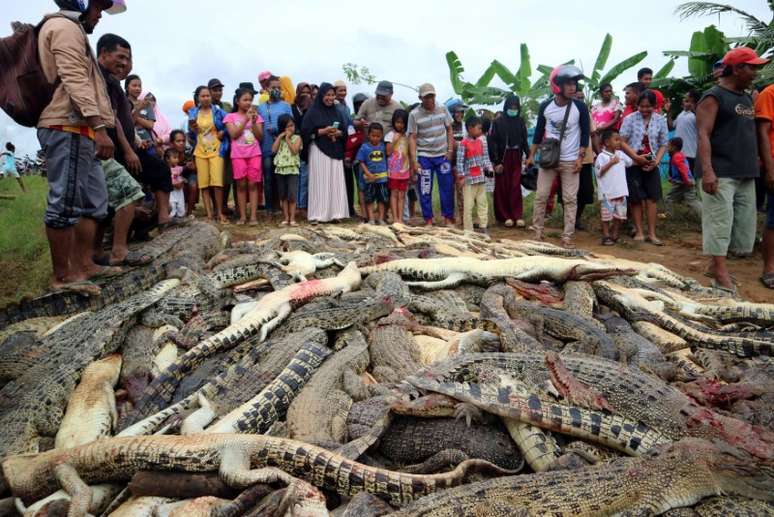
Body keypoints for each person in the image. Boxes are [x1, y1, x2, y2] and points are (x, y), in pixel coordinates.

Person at [37, 0, 122, 295]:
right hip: (68, 125)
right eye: (97, 8)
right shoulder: (64, 27)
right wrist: (99, 127)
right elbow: (74, 80)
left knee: (93, 201)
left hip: (81, 129)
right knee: (66, 201)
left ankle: (84, 264)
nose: (99, 16)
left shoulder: (73, 29)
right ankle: (63, 276)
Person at [697, 47, 768, 291]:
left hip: (745, 172)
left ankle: (713, 265)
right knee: (720, 223)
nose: (756, 73)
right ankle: (720, 273)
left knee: (743, 228)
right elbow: (703, 134)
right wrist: (708, 171)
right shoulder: (713, 96)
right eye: (752, 68)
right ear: (737, 68)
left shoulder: (747, 97)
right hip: (720, 172)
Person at [95, 33, 155, 268]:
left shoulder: (111, 82)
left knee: (102, 203)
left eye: (128, 59)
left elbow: (115, 119)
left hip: (109, 148)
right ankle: (117, 251)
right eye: (120, 57)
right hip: (97, 147)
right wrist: (125, 147)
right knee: (129, 193)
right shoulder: (95, 77)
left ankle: (96, 253)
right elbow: (112, 120)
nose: (125, 63)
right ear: (103, 54)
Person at [527, 65, 590, 248]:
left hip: (571, 160)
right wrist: (531, 156)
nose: (573, 87)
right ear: (557, 85)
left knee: (570, 199)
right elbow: (538, 133)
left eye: (574, 84)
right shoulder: (546, 107)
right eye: (568, 84)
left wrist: (580, 158)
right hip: (549, 159)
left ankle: (567, 237)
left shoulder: (580, 107)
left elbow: (585, 134)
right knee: (541, 196)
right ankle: (537, 233)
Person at [619, 90, 668, 245]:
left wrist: (656, 161)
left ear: (654, 106)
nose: (645, 109)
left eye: (648, 106)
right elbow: (621, 141)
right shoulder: (629, 119)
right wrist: (635, 157)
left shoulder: (660, 120)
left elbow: (664, 143)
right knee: (635, 199)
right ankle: (639, 232)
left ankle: (652, 234)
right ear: (637, 105)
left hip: (651, 164)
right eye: (642, 106)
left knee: (652, 199)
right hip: (633, 163)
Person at [123, 74, 174, 225]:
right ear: (126, 87)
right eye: (134, 85)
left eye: (139, 85)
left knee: (162, 169)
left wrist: (136, 116)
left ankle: (162, 217)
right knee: (136, 183)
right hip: (126, 148)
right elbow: (126, 124)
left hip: (145, 146)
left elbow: (150, 125)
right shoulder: (122, 102)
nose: (137, 88)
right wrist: (137, 112)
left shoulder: (146, 105)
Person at [301, 82, 349, 223]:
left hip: (335, 149)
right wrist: (323, 131)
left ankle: (336, 213)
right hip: (319, 150)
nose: (330, 98)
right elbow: (305, 132)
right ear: (321, 95)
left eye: (332, 95)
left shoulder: (338, 112)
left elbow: (345, 131)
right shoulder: (312, 112)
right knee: (320, 181)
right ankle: (318, 214)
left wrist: (338, 133)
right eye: (327, 95)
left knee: (335, 181)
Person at [409, 83, 455, 226]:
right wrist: (414, 161)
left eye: (432, 96)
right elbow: (412, 137)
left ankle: (448, 218)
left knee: (447, 186)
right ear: (420, 98)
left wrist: (450, 150)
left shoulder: (442, 109)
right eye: (426, 97)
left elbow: (449, 129)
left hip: (442, 155)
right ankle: (428, 219)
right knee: (425, 188)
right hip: (424, 157)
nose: (430, 99)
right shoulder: (414, 114)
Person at [225, 88, 264, 225]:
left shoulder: (257, 117)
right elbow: (234, 134)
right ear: (237, 101)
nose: (248, 102)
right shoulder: (230, 117)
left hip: (254, 153)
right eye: (245, 100)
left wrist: (253, 122)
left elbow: (260, 137)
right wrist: (245, 120)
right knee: (240, 185)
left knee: (253, 184)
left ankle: (253, 216)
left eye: (250, 100)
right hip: (238, 155)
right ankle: (242, 216)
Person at [189, 86, 228, 223]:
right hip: (200, 151)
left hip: (216, 150)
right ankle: (209, 214)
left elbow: (229, 123)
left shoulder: (218, 111)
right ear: (198, 98)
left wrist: (223, 132)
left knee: (217, 183)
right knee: (204, 184)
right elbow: (191, 134)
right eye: (203, 96)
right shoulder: (193, 112)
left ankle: (220, 213)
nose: (206, 98)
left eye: (208, 96)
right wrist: (193, 129)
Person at [489, 94, 529, 227]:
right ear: (506, 107)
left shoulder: (520, 122)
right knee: (502, 186)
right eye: (511, 107)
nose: (513, 109)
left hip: (516, 156)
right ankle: (505, 216)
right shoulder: (498, 122)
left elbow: (524, 141)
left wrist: (529, 156)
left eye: (515, 107)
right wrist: (496, 162)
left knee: (515, 186)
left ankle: (517, 215)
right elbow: (493, 143)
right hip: (503, 158)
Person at [258, 75, 293, 213]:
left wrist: (280, 130)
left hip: (283, 147)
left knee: (281, 178)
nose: (277, 90)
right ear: (267, 88)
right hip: (266, 147)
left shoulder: (286, 106)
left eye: (279, 87)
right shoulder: (261, 108)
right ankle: (269, 208)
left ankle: (281, 206)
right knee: (268, 177)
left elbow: (291, 125)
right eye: (273, 87)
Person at [456, 116, 493, 233]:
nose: (481, 130)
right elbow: (459, 162)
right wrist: (461, 177)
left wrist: (489, 169)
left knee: (483, 203)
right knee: (468, 205)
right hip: (469, 180)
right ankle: (468, 229)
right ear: (470, 129)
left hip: (481, 178)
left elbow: (485, 158)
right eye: (479, 128)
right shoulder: (463, 143)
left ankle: (483, 226)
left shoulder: (481, 142)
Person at [594, 129, 632, 245]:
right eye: (616, 140)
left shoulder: (620, 154)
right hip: (608, 193)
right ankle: (606, 236)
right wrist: (611, 163)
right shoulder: (601, 156)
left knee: (619, 216)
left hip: (621, 192)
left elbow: (630, 162)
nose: (619, 142)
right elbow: (598, 172)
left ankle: (615, 235)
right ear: (607, 142)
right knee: (606, 216)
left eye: (620, 140)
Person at [756, 82, 774, 289]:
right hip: (773, 160)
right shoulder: (769, 93)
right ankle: (769, 268)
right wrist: (769, 168)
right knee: (773, 218)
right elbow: (762, 132)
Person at [356, 123, 389, 225]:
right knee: (369, 199)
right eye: (373, 136)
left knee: (382, 199)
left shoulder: (383, 146)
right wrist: (367, 173)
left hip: (382, 179)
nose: (375, 138)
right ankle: (371, 219)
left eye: (378, 136)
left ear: (382, 136)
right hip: (369, 179)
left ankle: (381, 218)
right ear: (368, 135)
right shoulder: (364, 147)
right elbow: (361, 161)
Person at [273, 114, 302, 226]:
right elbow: (273, 150)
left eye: (292, 125)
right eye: (288, 126)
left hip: (292, 170)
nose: (290, 128)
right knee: (283, 195)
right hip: (280, 170)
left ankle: (293, 218)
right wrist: (279, 138)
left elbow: (294, 151)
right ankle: (286, 217)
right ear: (282, 128)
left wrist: (287, 139)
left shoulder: (297, 138)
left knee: (292, 194)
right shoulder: (279, 139)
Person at [666, 137, 701, 218]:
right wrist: (673, 178)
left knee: (669, 198)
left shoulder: (677, 156)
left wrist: (687, 181)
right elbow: (678, 170)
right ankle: (700, 214)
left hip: (684, 182)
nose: (667, 148)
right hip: (685, 181)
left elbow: (683, 170)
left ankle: (669, 214)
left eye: (668, 146)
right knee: (690, 199)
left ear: (674, 147)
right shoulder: (678, 155)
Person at [386, 109, 410, 224]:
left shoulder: (408, 136)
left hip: (405, 170)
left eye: (402, 122)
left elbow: (409, 152)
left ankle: (400, 219)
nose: (400, 125)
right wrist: (394, 140)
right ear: (394, 122)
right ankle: (395, 218)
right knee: (394, 194)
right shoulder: (390, 135)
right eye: (398, 122)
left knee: (402, 195)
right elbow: (388, 152)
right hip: (393, 171)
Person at [169, 129, 197, 216]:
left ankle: (189, 213)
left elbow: (196, 168)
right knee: (181, 186)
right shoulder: (169, 153)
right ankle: (177, 210)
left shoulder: (189, 150)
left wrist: (193, 167)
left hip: (189, 173)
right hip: (174, 175)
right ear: (172, 143)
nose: (181, 143)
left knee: (193, 186)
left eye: (183, 141)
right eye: (178, 141)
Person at [673, 91, 699, 172]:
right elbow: (672, 126)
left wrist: (694, 109)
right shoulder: (681, 114)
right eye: (684, 99)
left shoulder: (696, 115)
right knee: (676, 177)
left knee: (689, 177)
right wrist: (669, 112)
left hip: (690, 154)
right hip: (677, 153)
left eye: (687, 100)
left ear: (693, 102)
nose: (684, 100)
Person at [165, 148, 186, 218]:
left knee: (181, 207)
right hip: (171, 192)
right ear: (167, 159)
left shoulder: (179, 168)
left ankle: (180, 216)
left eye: (177, 158)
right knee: (172, 205)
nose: (177, 160)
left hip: (179, 191)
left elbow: (181, 175)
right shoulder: (165, 169)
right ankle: (171, 219)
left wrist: (183, 180)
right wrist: (173, 184)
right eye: (174, 158)